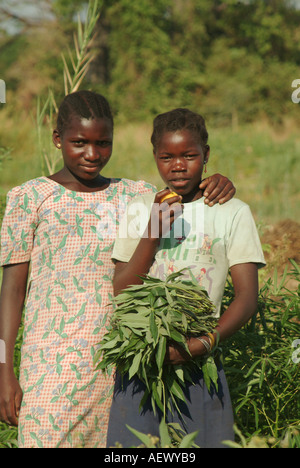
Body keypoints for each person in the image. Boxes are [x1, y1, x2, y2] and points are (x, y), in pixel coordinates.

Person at [0, 92, 236, 448]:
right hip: (50, 365)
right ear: (57, 138)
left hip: (123, 368)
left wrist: (218, 183)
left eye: (103, 143)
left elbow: (186, 187)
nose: (92, 155)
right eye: (79, 143)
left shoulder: (134, 194)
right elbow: (12, 292)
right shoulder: (30, 198)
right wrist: (4, 369)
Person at [106, 108, 266, 448]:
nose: (178, 165)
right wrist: (153, 231)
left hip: (201, 362)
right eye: (167, 157)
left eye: (189, 155)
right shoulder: (139, 208)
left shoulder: (231, 212)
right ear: (155, 157)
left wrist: (202, 344)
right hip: (141, 364)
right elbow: (122, 289)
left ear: (206, 155)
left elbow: (247, 298)